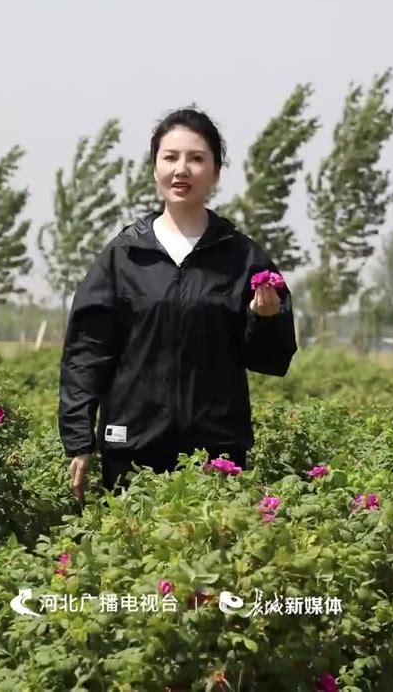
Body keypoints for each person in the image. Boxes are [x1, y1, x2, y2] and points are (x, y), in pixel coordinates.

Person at [58, 108, 297, 500]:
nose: (181, 170)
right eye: (170, 157)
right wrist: (80, 440)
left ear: (216, 172)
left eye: (196, 158)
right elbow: (86, 353)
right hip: (130, 449)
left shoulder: (242, 258)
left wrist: (265, 320)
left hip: (216, 453)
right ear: (155, 169)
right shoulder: (124, 255)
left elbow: (272, 360)